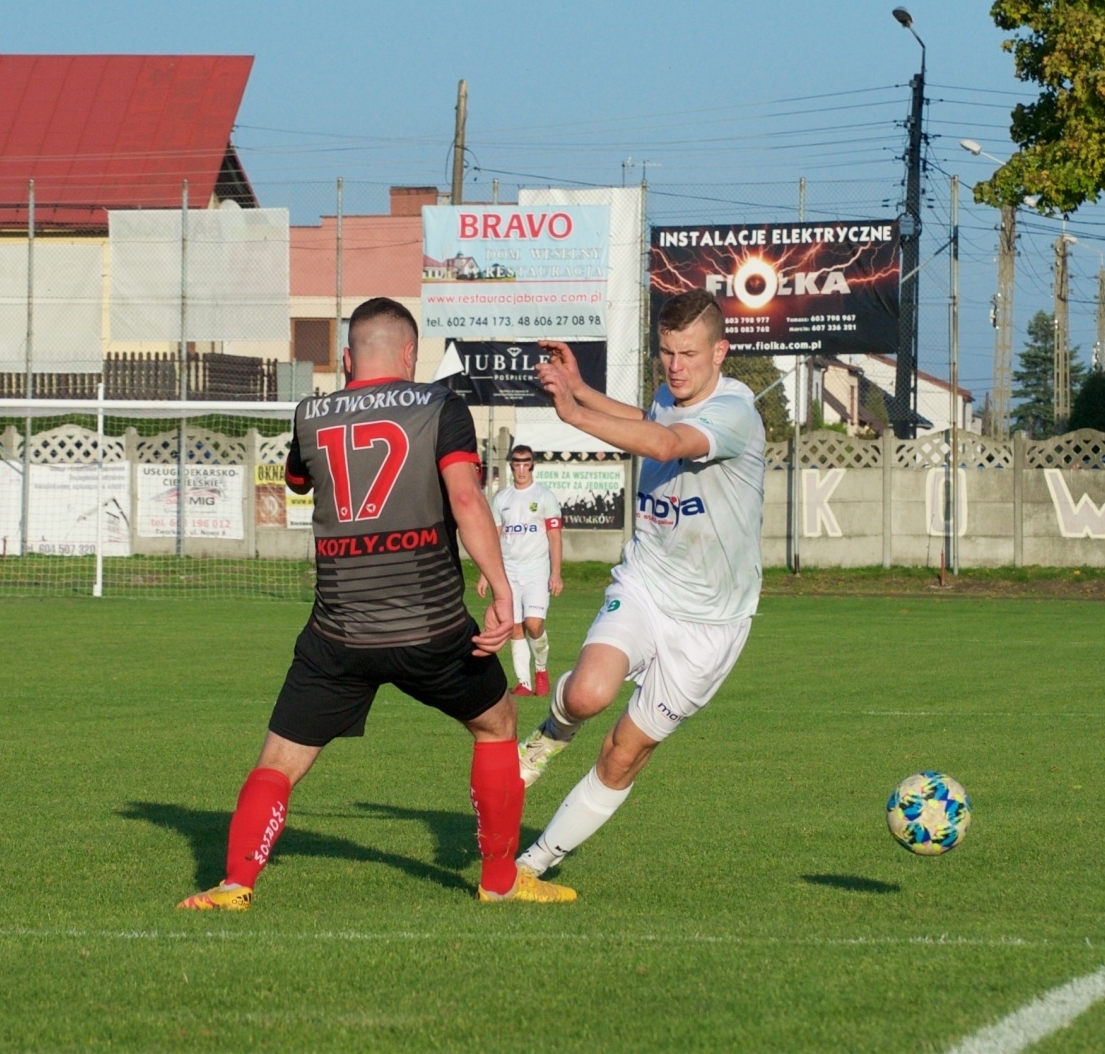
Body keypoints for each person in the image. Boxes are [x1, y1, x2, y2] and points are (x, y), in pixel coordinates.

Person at [177, 297, 575, 910]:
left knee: (279, 760)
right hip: (432, 626)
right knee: (496, 725)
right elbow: (468, 501)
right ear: (410, 355)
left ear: (345, 359)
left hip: (339, 634)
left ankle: (234, 884)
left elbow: (297, 482)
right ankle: (498, 880)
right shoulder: (442, 405)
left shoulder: (311, 413)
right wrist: (501, 589)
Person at [513, 288, 766, 886]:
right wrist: (580, 390)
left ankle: (535, 863)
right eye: (665, 353)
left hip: (711, 625)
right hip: (647, 582)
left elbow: (667, 444)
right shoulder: (670, 393)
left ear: (719, 353)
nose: (675, 367)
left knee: (624, 752)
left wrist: (573, 416)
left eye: (688, 354)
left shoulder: (735, 413)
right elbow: (650, 421)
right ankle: (549, 736)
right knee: (587, 695)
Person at [476, 444, 564, 697]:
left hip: (536, 570)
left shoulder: (545, 497)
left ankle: (541, 667)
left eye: (526, 463)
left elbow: (555, 537)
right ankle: (524, 683)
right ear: (511, 465)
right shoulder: (501, 499)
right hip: (508, 571)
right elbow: (494, 538)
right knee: (514, 626)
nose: (521, 469)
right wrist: (485, 573)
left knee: (533, 624)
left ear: (532, 465)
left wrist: (555, 573)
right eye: (517, 463)